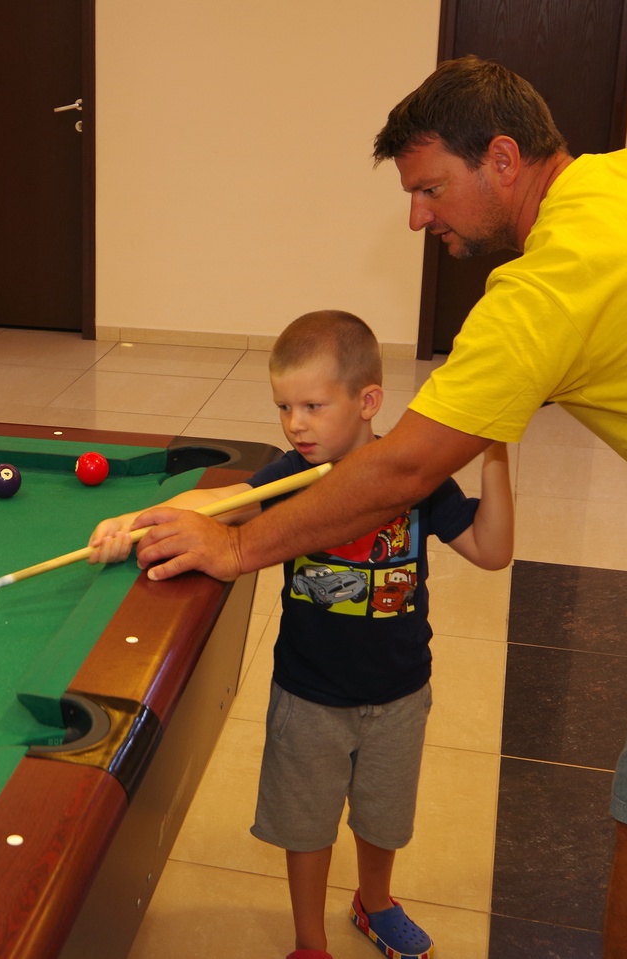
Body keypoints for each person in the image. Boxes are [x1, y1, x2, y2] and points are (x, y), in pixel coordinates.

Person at [125, 56, 627, 959]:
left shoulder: (545, 288)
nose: (418, 216)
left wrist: (234, 546)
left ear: (501, 158)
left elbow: (401, 469)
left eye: (430, 189)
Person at [88, 310, 514, 959]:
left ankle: (376, 902)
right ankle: (309, 941)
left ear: (368, 401)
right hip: (309, 692)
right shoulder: (291, 476)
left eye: (313, 406)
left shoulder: (414, 478)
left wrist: (496, 451)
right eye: (284, 407)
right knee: (307, 825)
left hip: (401, 692)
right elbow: (218, 504)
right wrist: (134, 520)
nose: (296, 424)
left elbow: (491, 549)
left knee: (383, 817)